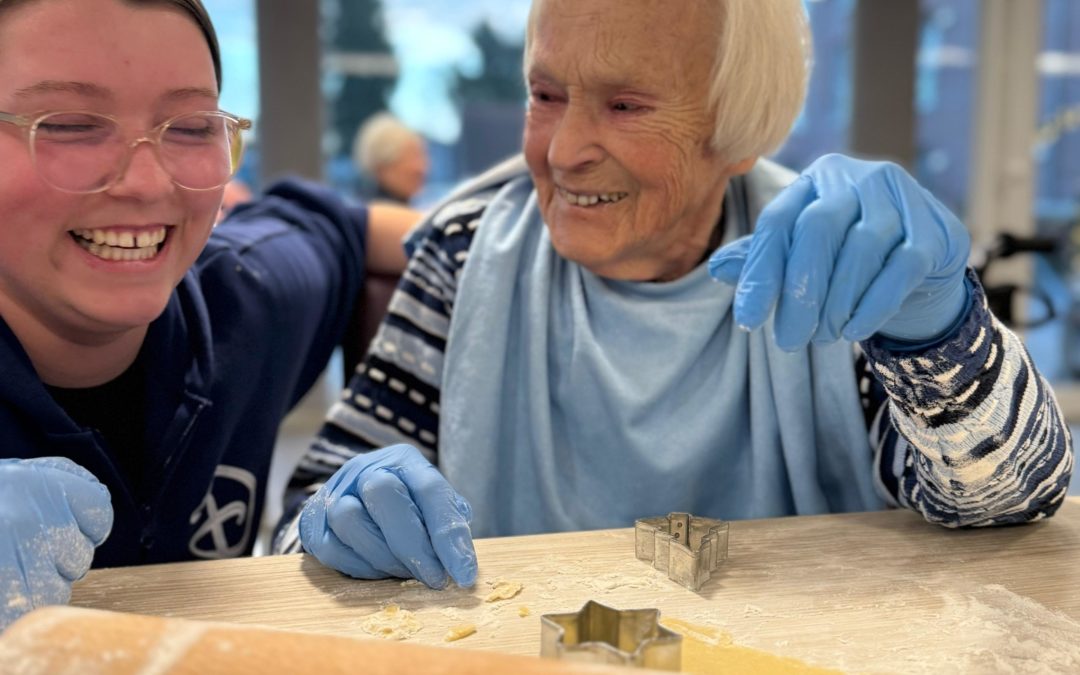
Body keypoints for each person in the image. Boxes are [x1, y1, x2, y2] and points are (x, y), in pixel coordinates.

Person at [274, 0, 1074, 591]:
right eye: (545, 94)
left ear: (735, 126)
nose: (561, 152)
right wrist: (335, 518)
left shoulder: (830, 253)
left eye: (625, 106)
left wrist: (940, 335)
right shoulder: (464, 251)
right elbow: (303, 521)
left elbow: (1010, 501)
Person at [0, 0, 416, 629]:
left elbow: (351, 229)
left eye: (192, 127)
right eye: (70, 124)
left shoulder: (244, 302)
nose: (145, 183)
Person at [353, 112, 430, 205]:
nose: (421, 168)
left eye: (422, 156)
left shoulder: (409, 208)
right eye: (412, 157)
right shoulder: (374, 214)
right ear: (382, 167)